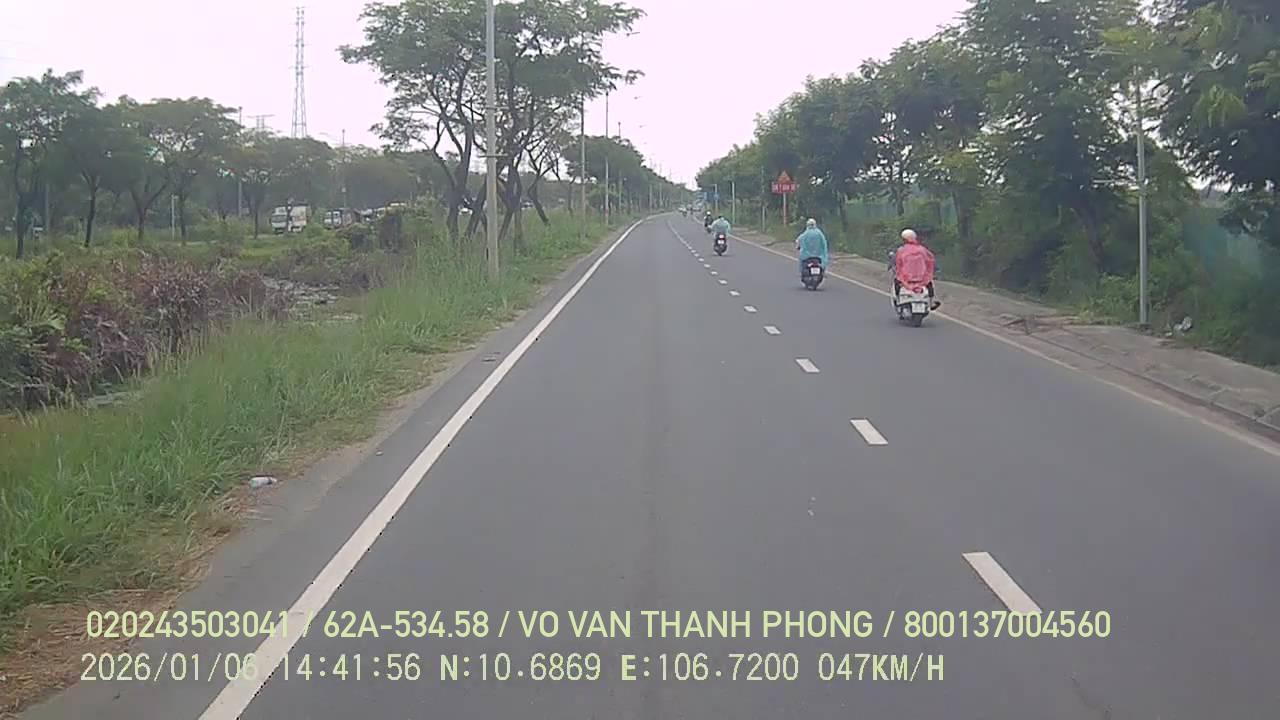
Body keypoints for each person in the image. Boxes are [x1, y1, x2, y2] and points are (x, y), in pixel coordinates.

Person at [893, 228, 940, 309]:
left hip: (906, 278)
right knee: (929, 284)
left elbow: (898, 263)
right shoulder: (922, 249)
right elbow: (930, 260)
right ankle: (931, 302)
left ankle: (898, 300)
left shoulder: (901, 250)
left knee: (897, 281)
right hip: (922, 278)